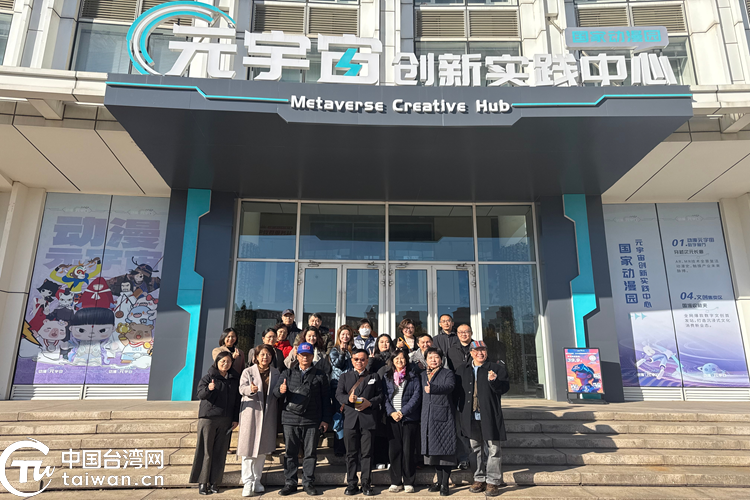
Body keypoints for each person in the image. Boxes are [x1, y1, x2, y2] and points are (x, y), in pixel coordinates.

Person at [273, 342, 332, 496]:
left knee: (310, 453)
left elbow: (326, 399)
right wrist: (281, 390)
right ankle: (290, 483)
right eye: (302, 355)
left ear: (312, 356)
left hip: (312, 419)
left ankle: (308, 482)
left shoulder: (320, 375)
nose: (305, 358)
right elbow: (275, 393)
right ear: (297, 356)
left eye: (308, 355)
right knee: (290, 453)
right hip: (290, 419)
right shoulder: (287, 373)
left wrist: (325, 419)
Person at [455, 341, 510, 497]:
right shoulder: (462, 370)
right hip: (470, 416)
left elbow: (504, 388)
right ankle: (478, 478)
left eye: (483, 350)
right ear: (471, 353)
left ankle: (493, 481)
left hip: (489, 415)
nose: (480, 353)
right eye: (476, 350)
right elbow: (456, 392)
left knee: (494, 449)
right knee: (474, 449)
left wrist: (494, 381)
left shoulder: (496, 368)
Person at [190, 351, 241, 495]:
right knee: (206, 451)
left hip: (225, 419)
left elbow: (237, 401)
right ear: (217, 362)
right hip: (208, 419)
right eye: (222, 361)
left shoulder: (234, 379)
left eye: (228, 361)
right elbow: (200, 394)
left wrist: (235, 418)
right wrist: (209, 389)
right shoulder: (208, 377)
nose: (225, 364)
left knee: (220, 451)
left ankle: (215, 482)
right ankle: (202, 482)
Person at [335, 348, 383, 496]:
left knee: (367, 454)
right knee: (351, 454)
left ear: (367, 361)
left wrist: (370, 403)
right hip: (350, 419)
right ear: (352, 360)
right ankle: (351, 483)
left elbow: (381, 395)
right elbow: (338, 394)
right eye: (356, 359)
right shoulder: (345, 376)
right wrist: (347, 399)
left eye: (362, 359)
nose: (359, 362)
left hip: (368, 419)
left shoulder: (374, 376)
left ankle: (366, 483)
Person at [238, 345, 281, 497]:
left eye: (268, 354)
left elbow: (277, 392)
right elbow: (241, 389)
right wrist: (250, 389)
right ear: (256, 356)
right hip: (251, 413)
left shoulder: (276, 372)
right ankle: (247, 482)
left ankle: (257, 480)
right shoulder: (248, 371)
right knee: (248, 450)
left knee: (262, 450)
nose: (265, 357)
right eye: (262, 354)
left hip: (268, 414)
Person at [382, 347, 422, 493]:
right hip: (393, 418)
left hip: (409, 418)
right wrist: (392, 412)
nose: (400, 361)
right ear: (392, 360)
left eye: (402, 358)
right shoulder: (387, 376)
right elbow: (384, 397)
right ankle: (395, 481)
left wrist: (403, 412)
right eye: (396, 358)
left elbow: (416, 396)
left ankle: (409, 481)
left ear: (406, 360)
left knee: (408, 450)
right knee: (394, 450)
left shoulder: (413, 376)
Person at [420, 347, 456, 497]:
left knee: (445, 453)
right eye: (430, 357)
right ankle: (439, 481)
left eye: (436, 357)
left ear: (441, 359)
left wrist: (433, 388)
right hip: (427, 416)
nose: (433, 360)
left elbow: (450, 387)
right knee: (433, 452)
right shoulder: (423, 375)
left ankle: (445, 484)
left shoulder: (447, 373)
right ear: (425, 360)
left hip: (443, 416)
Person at [446, 324, 474, 470]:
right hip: (458, 393)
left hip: (475, 393)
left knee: (475, 427)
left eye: (466, 332)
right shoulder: (451, 350)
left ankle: (478, 458)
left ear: (471, 333)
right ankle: (463, 458)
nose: (464, 334)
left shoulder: (478, 348)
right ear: (457, 334)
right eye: (461, 332)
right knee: (460, 427)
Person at [329, 325, 355, 456]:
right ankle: (339, 448)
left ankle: (349, 447)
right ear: (339, 336)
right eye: (343, 334)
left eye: (348, 334)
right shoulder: (334, 350)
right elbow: (337, 364)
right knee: (339, 417)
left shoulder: (353, 350)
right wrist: (342, 353)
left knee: (350, 417)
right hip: (338, 386)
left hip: (352, 387)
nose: (345, 336)